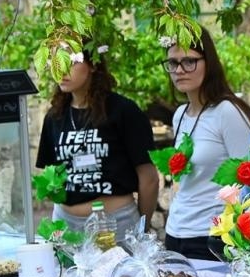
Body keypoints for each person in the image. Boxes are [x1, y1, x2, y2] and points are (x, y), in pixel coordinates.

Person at [35, 46, 160, 241]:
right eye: (56, 61)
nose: (62, 69)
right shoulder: (54, 116)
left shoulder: (123, 111)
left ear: (93, 64)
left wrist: (142, 228)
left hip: (115, 223)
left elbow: (149, 178)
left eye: (72, 62)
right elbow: (51, 175)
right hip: (66, 224)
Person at [161, 29, 250, 260]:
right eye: (173, 63)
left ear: (209, 63)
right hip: (175, 233)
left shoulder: (228, 112)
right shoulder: (180, 114)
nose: (180, 70)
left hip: (212, 237)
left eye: (189, 61)